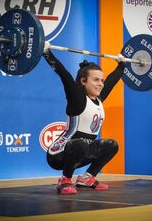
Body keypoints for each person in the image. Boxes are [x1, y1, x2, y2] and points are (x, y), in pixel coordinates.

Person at [43, 41, 126, 195]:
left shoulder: (99, 98)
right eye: (96, 80)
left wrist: (121, 64)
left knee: (112, 145)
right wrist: (46, 53)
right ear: (83, 81)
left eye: (101, 80)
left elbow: (112, 80)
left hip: (82, 152)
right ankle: (65, 180)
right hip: (59, 154)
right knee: (80, 144)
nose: (101, 84)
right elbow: (64, 74)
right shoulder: (77, 98)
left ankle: (87, 178)